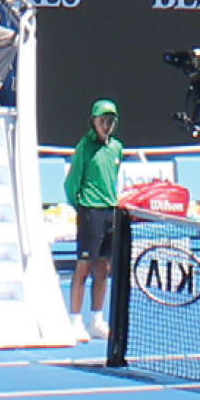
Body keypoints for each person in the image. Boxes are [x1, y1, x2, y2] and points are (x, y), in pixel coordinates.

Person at [63, 95, 124, 342]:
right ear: (94, 122)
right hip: (90, 211)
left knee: (104, 267)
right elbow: (71, 182)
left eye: (111, 121)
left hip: (110, 211)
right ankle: (75, 320)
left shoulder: (117, 147)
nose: (106, 125)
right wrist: (81, 207)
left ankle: (96, 321)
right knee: (84, 267)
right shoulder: (84, 148)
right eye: (102, 120)